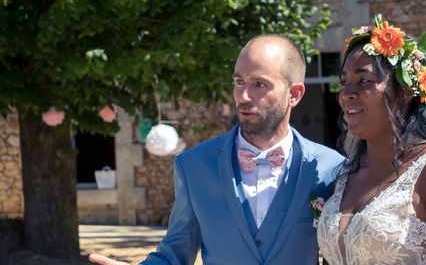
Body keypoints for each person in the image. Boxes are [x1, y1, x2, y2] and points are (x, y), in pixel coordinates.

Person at [89, 34, 344, 265]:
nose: (243, 96)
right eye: (238, 82)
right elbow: (174, 254)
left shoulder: (331, 169)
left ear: (295, 94)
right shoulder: (193, 166)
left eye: (259, 84)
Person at [317, 15, 426, 265]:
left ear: (406, 91)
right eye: (344, 82)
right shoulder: (346, 173)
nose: (347, 94)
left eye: (363, 80)